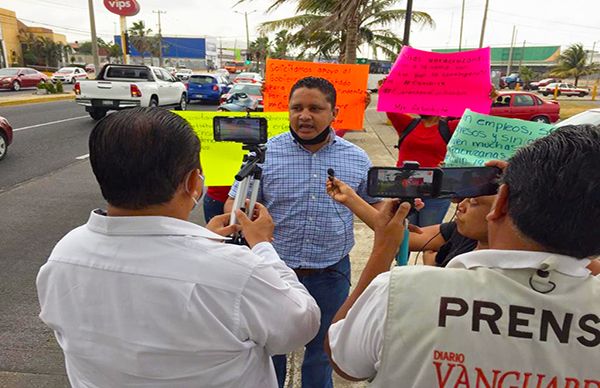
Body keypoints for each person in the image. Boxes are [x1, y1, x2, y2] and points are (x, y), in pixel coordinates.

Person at [36, 107, 320, 388]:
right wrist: (262, 246)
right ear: (193, 182)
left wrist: (202, 241)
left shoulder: (64, 255)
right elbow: (300, 324)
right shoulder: (237, 272)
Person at [327, 124, 600, 386]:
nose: (464, 202)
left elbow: (344, 359)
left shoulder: (400, 293)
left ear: (501, 202)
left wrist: (383, 250)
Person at [225, 77, 382, 388]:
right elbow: (234, 202)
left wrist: (404, 200)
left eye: (315, 108)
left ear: (334, 112)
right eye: (296, 108)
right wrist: (241, 214)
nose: (304, 116)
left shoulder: (357, 158)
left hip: (331, 271)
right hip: (273, 271)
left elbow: (376, 206)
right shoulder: (264, 154)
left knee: (323, 350)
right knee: (271, 348)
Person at [326, 175, 495, 267]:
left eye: (474, 202)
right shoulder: (458, 232)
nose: (461, 206)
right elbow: (406, 238)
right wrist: (350, 198)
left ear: (500, 209)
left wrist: (433, 268)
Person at [386, 111, 459, 226]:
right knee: (404, 233)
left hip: (436, 191)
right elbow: (390, 106)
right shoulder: (407, 124)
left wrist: (488, 99)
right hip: (406, 189)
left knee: (426, 235)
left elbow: (474, 120)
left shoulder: (450, 128)